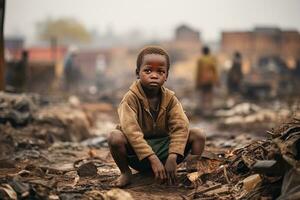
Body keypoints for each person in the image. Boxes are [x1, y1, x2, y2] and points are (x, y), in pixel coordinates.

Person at [108, 46, 206, 187]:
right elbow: (131, 131)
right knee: (114, 136)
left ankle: (191, 172)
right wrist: (153, 159)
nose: (154, 75)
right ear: (138, 73)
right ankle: (125, 173)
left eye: (160, 71)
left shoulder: (171, 99)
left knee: (198, 135)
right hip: (138, 155)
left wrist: (173, 157)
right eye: (148, 71)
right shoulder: (130, 99)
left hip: (166, 152)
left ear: (166, 76)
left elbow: (181, 127)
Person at [195, 46, 218, 115]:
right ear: (209, 52)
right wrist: (216, 80)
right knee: (210, 94)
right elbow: (215, 71)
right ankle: (210, 109)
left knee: (203, 94)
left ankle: (204, 109)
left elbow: (198, 72)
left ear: (203, 52)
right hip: (210, 79)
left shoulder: (200, 60)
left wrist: (197, 82)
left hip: (202, 80)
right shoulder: (212, 59)